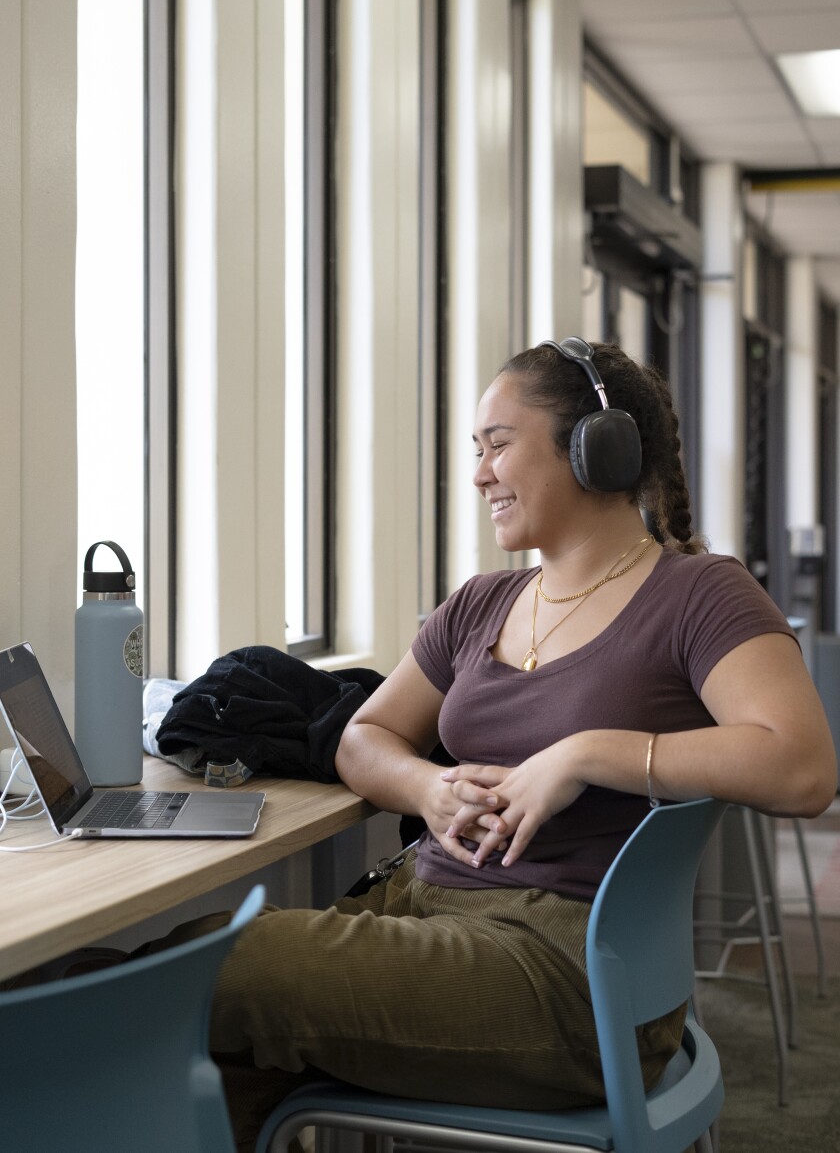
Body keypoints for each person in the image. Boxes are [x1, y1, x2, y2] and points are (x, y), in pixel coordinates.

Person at [206, 338, 837, 1150]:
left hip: (569, 968)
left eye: (498, 445)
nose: (478, 474)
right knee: (202, 1023)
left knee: (226, 967)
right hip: (426, 914)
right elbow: (365, 735)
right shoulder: (480, 603)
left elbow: (805, 768)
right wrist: (425, 791)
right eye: (476, 450)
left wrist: (587, 753)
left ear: (595, 450)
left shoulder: (697, 591)